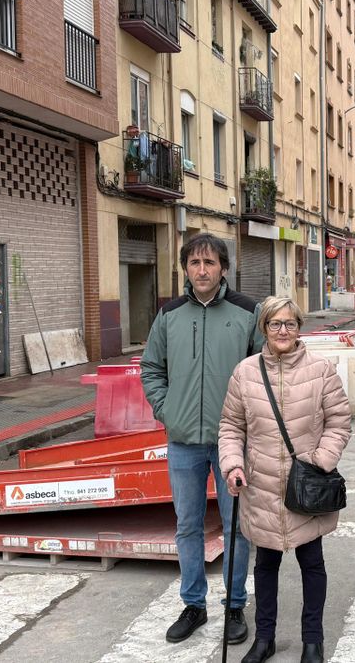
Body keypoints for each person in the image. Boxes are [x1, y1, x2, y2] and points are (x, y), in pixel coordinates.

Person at [140, 233, 262, 646]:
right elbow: (151, 368)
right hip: (184, 442)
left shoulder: (247, 312)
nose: (202, 270)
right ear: (186, 269)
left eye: (210, 263)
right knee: (188, 525)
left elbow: (267, 370)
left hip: (234, 442)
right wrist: (166, 409)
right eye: (194, 263)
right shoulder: (170, 314)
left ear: (223, 268)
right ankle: (194, 603)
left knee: (236, 528)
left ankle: (235, 607)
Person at [219, 296, 352, 663]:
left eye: (290, 323)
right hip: (261, 487)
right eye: (275, 324)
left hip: (305, 488)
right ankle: (265, 639)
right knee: (265, 567)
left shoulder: (321, 369)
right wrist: (232, 465)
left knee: (312, 563)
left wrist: (321, 461)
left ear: (299, 328)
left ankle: (313, 640)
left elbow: (339, 422)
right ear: (264, 328)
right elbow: (231, 425)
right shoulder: (245, 372)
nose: (283, 331)